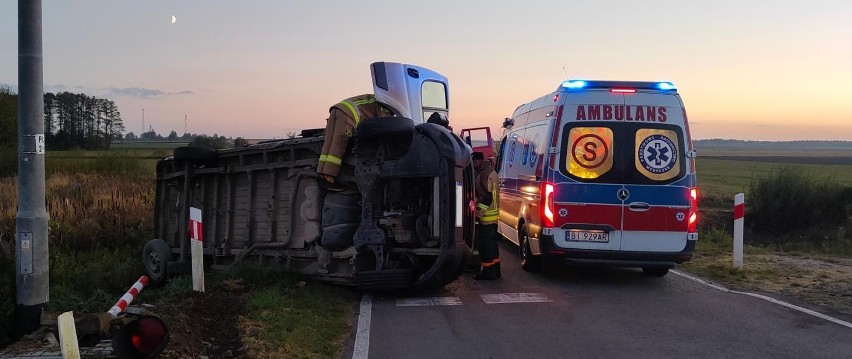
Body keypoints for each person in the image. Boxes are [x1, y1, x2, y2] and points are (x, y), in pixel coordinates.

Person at [316, 94, 396, 191]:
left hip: (337, 109)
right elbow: (385, 126)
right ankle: (329, 179)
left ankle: (321, 175)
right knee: (338, 146)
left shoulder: (377, 97)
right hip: (348, 115)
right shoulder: (385, 106)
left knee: (328, 145)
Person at [472, 151, 501, 280]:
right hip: (493, 215)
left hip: (486, 217)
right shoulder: (490, 171)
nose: (473, 165)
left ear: (478, 161)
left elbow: (487, 196)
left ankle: (488, 272)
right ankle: (496, 270)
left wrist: (478, 213)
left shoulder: (483, 174)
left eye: (474, 162)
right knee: (493, 245)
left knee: (485, 246)